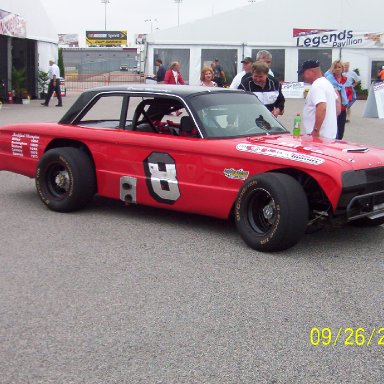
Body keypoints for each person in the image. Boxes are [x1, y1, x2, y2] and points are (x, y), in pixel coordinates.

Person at [298, 59, 339, 139]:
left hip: (319, 136)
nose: (302, 77)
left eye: (303, 73)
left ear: (311, 71)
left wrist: (316, 131)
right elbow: (337, 102)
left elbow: (322, 107)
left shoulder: (317, 85)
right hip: (329, 134)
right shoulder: (327, 83)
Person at [325, 60, 355, 140]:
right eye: (336, 67)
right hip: (331, 109)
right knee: (331, 131)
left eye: (339, 67)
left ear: (342, 68)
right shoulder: (328, 79)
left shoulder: (346, 80)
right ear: (333, 68)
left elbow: (350, 92)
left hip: (342, 109)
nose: (337, 69)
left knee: (341, 131)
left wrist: (347, 100)